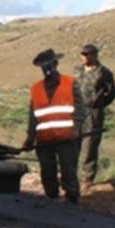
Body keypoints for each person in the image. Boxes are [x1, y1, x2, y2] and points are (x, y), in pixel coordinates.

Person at [22, 49, 85, 203]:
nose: (46, 69)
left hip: (67, 137)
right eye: (43, 66)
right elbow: (34, 116)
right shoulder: (36, 88)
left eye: (49, 65)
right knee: (47, 170)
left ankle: (72, 198)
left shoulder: (70, 83)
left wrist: (76, 129)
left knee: (68, 168)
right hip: (44, 139)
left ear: (56, 64)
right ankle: (51, 198)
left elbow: (80, 108)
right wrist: (30, 138)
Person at [76, 44, 115, 185]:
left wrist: (98, 104)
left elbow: (111, 94)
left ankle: (86, 179)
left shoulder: (103, 72)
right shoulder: (78, 70)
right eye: (82, 53)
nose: (83, 56)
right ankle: (71, 177)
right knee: (73, 144)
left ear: (94, 55)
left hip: (93, 113)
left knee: (90, 147)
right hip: (77, 112)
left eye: (86, 54)